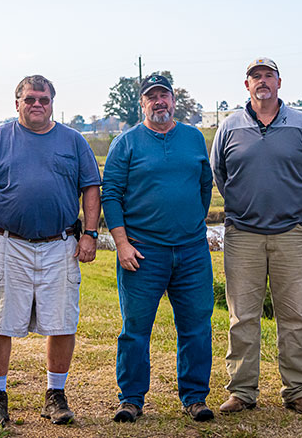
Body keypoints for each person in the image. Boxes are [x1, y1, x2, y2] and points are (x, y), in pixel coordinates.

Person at [0, 75, 101, 426]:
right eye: (29, 99)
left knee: (62, 322)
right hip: (7, 243)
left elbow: (90, 189)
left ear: (52, 102)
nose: (36, 104)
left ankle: (55, 395)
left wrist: (89, 234)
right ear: (17, 103)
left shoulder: (73, 141)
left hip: (60, 245)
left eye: (43, 99)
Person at [210, 58, 302, 416]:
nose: (262, 82)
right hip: (243, 234)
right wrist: (244, 205)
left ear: (279, 82)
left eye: (268, 76)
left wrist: (293, 204)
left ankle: (297, 391)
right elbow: (219, 173)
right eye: (255, 77)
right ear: (246, 85)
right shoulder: (230, 126)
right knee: (242, 317)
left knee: (295, 316)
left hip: (292, 233)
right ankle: (242, 392)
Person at [101, 74, 215, 423]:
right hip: (143, 253)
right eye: (151, 97)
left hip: (192, 251)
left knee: (196, 326)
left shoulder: (194, 138)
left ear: (173, 100)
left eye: (163, 95)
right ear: (143, 104)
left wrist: (190, 224)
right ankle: (131, 399)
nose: (158, 102)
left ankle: (194, 397)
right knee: (135, 329)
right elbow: (111, 195)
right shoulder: (127, 142)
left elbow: (204, 187)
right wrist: (121, 243)